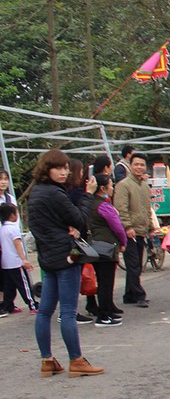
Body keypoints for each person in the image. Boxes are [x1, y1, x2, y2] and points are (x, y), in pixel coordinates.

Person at [26, 149, 105, 377]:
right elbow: (80, 219)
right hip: (66, 256)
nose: (63, 172)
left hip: (48, 257)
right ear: (47, 169)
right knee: (68, 311)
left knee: (44, 312)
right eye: (58, 168)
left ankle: (47, 360)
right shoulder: (55, 194)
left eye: (65, 168)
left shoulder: (37, 193)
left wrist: (63, 230)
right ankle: (76, 360)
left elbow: (38, 227)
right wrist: (88, 195)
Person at [84, 175, 128, 325]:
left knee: (103, 281)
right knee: (106, 282)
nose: (113, 188)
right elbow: (117, 227)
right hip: (106, 247)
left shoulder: (88, 204)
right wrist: (123, 241)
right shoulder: (103, 206)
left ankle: (107, 311)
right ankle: (103, 315)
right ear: (102, 188)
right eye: (111, 185)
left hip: (94, 246)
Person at [114, 152, 152, 309]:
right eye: (136, 164)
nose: (139, 167)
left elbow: (147, 208)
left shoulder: (143, 186)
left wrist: (149, 226)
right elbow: (121, 208)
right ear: (130, 166)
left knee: (136, 263)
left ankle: (129, 294)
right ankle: (138, 294)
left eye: (142, 165)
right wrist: (127, 226)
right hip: (130, 231)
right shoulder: (123, 185)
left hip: (141, 230)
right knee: (134, 264)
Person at [1, 202, 36, 316]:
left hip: (6, 263)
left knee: (9, 287)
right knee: (24, 285)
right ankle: (32, 304)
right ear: (12, 215)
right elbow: (17, 244)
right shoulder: (13, 228)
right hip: (16, 262)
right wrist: (23, 259)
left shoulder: (2, 229)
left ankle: (7, 306)